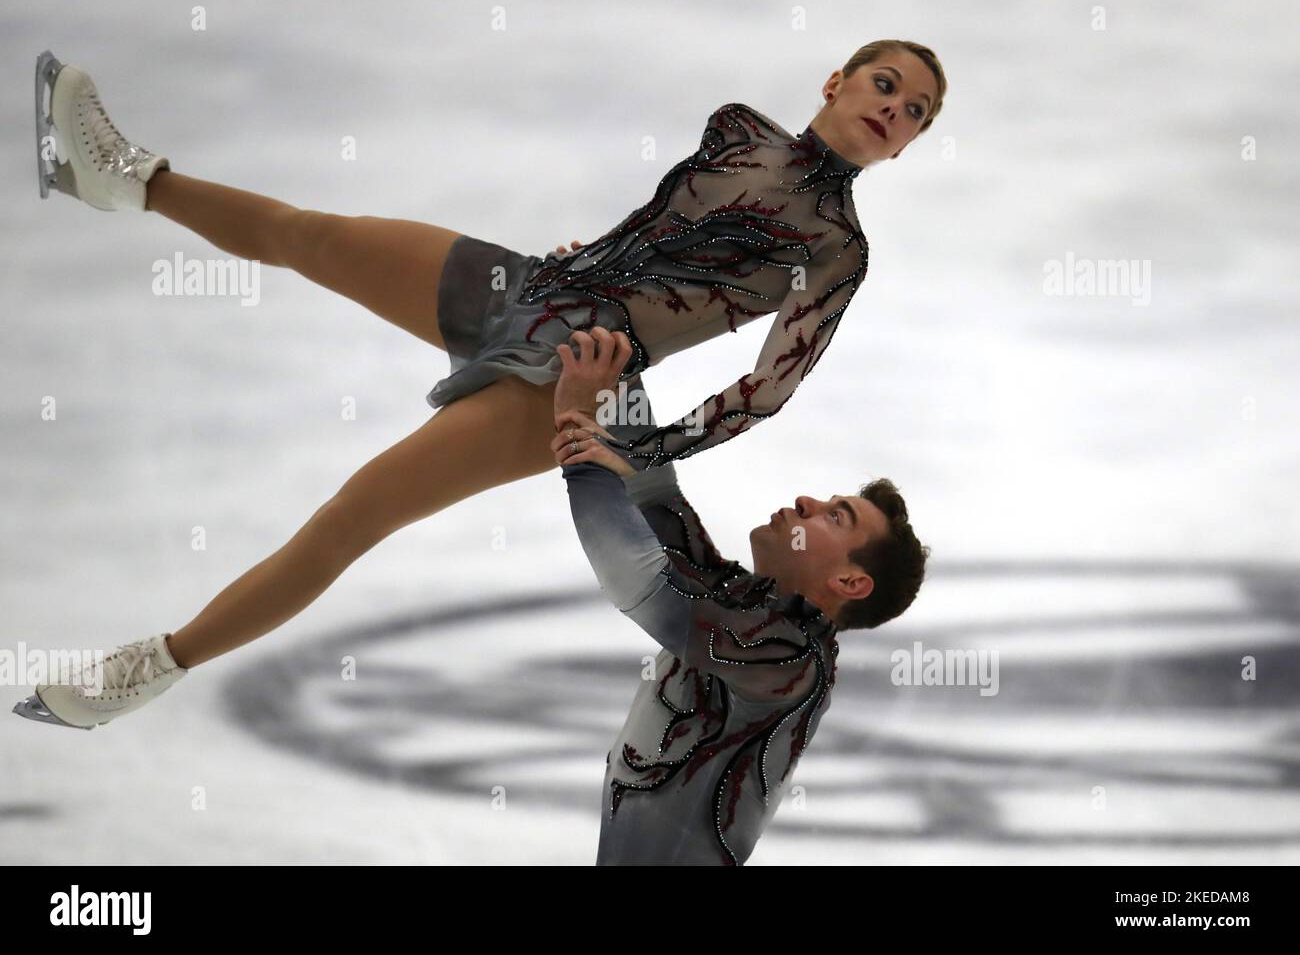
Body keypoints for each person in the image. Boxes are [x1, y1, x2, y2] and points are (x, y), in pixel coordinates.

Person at [15, 41, 945, 730]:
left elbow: (765, 389)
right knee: (315, 235)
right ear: (837, 82)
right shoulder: (737, 127)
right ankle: (124, 177)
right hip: (532, 287)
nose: (893, 109)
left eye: (913, 114)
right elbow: (660, 223)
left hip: (577, 365)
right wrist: (597, 251)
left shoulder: (837, 250)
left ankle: (148, 670)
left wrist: (643, 446)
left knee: (352, 515)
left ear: (902, 151)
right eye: (887, 84)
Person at [552, 328, 929, 864]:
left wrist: (575, 437)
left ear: (849, 582)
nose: (807, 500)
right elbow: (653, 494)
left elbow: (638, 582)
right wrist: (615, 350)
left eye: (835, 516)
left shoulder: (792, 658)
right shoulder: (742, 601)